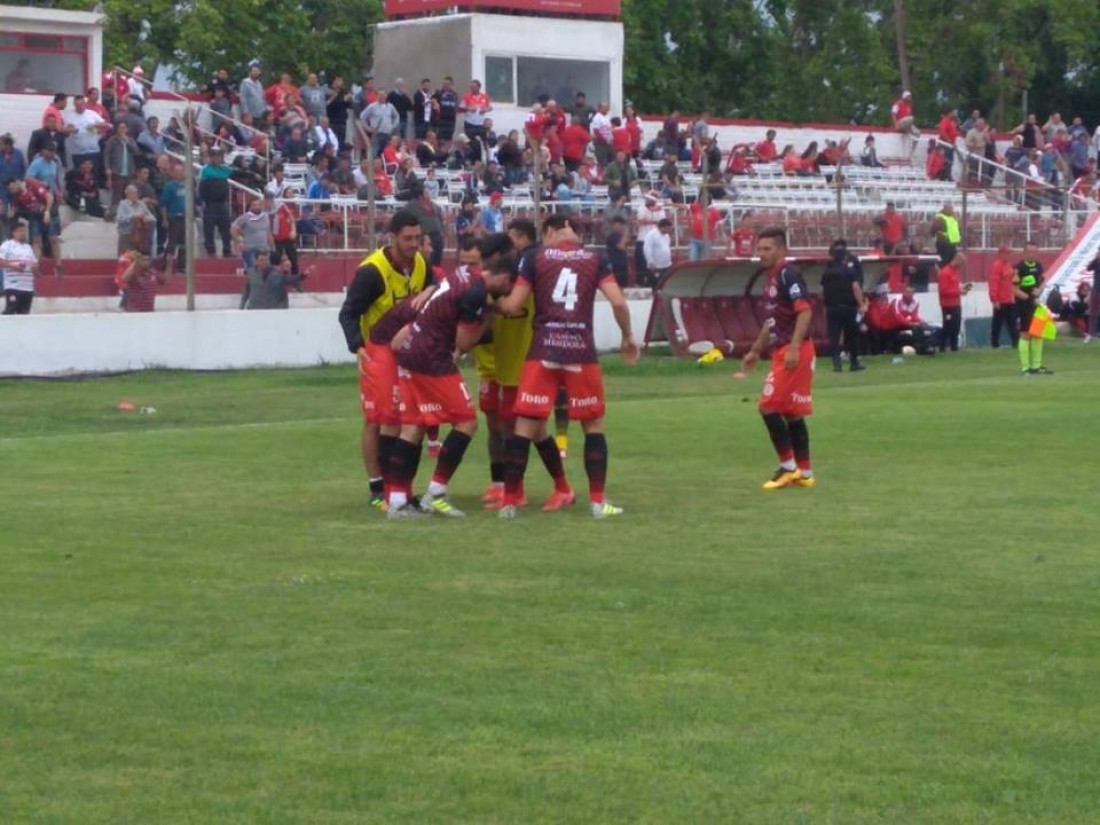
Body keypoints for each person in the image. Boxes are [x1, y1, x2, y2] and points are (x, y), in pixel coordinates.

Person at [494, 213, 639, 520]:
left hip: (543, 350)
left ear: (549, 232)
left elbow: (514, 305)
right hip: (580, 352)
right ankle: (598, 503)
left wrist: (491, 303)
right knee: (593, 426)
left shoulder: (535, 258)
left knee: (524, 426)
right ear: (571, 232)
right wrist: (627, 337)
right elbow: (617, 302)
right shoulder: (594, 259)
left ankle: (508, 503)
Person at [385, 254, 517, 519]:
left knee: (413, 424)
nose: (509, 293)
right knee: (467, 422)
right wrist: (488, 318)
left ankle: (398, 501)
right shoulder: (476, 293)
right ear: (504, 278)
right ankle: (436, 492)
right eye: (509, 287)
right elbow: (464, 342)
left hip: (412, 348)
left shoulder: (465, 273)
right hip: (432, 357)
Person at [337, 210, 431, 511]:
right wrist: (357, 347)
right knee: (379, 419)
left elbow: (435, 293)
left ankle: (400, 487)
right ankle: (378, 487)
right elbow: (348, 312)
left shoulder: (420, 264)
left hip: (410, 352)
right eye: (408, 238)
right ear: (392, 238)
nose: (414, 244)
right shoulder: (372, 272)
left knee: (408, 419)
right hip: (378, 352)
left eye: (417, 238)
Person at [739, 227, 817, 490]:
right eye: (759, 249)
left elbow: (805, 311)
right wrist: (755, 350)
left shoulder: (787, 274)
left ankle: (787, 467)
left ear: (781, 250)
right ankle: (805, 473)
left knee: (767, 406)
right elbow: (771, 322)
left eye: (767, 249)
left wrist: (794, 348)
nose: (761, 253)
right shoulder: (771, 279)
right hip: (783, 350)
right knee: (792, 413)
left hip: (793, 351)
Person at [821, 239, 866, 372]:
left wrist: (826, 306)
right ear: (844, 256)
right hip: (848, 308)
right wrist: (861, 304)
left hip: (832, 308)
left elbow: (823, 290)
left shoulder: (827, 272)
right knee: (851, 336)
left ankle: (836, 363)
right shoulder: (849, 271)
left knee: (834, 336)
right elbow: (856, 288)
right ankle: (854, 363)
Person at [1013, 242, 1050, 375]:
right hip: (1023, 305)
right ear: (1024, 252)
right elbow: (1014, 289)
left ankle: (1037, 366)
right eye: (1030, 251)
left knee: (1038, 333)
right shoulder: (1018, 268)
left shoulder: (1039, 266)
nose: (1032, 254)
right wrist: (1029, 298)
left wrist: (1039, 290)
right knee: (1025, 334)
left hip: (1036, 304)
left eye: (1034, 252)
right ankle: (1025, 367)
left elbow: (1043, 282)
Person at [240, 251, 308, 309]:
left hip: (270, 308)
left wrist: (302, 276)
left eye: (266, 260)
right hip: (254, 308)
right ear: (256, 261)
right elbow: (247, 291)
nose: (264, 262)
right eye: (261, 260)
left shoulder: (275, 272)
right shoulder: (251, 273)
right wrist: (241, 307)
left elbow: (287, 279)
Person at [0, 220, 38, 315]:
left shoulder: (28, 247)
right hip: (13, 285)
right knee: (11, 311)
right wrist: (14, 265)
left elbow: (35, 264)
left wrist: (34, 266)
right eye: (20, 231)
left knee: (24, 313)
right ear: (14, 232)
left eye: (24, 231)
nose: (23, 233)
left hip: (27, 287)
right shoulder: (7, 245)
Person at [988, 244, 1019, 349]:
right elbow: (993, 283)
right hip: (1000, 300)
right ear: (1001, 254)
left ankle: (1016, 342)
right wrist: (994, 299)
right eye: (1007, 253)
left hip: (1009, 299)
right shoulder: (996, 266)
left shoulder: (1008, 265)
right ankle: (994, 343)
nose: (1009, 255)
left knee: (1012, 322)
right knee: (997, 323)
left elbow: (1010, 281)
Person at [231, 196, 274, 270]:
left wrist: (273, 247)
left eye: (258, 205)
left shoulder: (265, 217)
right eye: (254, 205)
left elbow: (268, 233)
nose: (257, 207)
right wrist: (239, 241)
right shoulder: (245, 217)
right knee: (252, 271)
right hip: (250, 249)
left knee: (265, 271)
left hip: (263, 249)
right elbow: (233, 229)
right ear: (250, 207)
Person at [937, 253, 968, 352]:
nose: (962, 266)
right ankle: (942, 347)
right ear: (957, 260)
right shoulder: (945, 273)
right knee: (947, 326)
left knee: (956, 327)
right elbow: (943, 291)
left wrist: (962, 288)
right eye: (962, 263)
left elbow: (953, 286)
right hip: (947, 305)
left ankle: (954, 347)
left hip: (956, 304)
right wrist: (959, 291)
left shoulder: (955, 272)